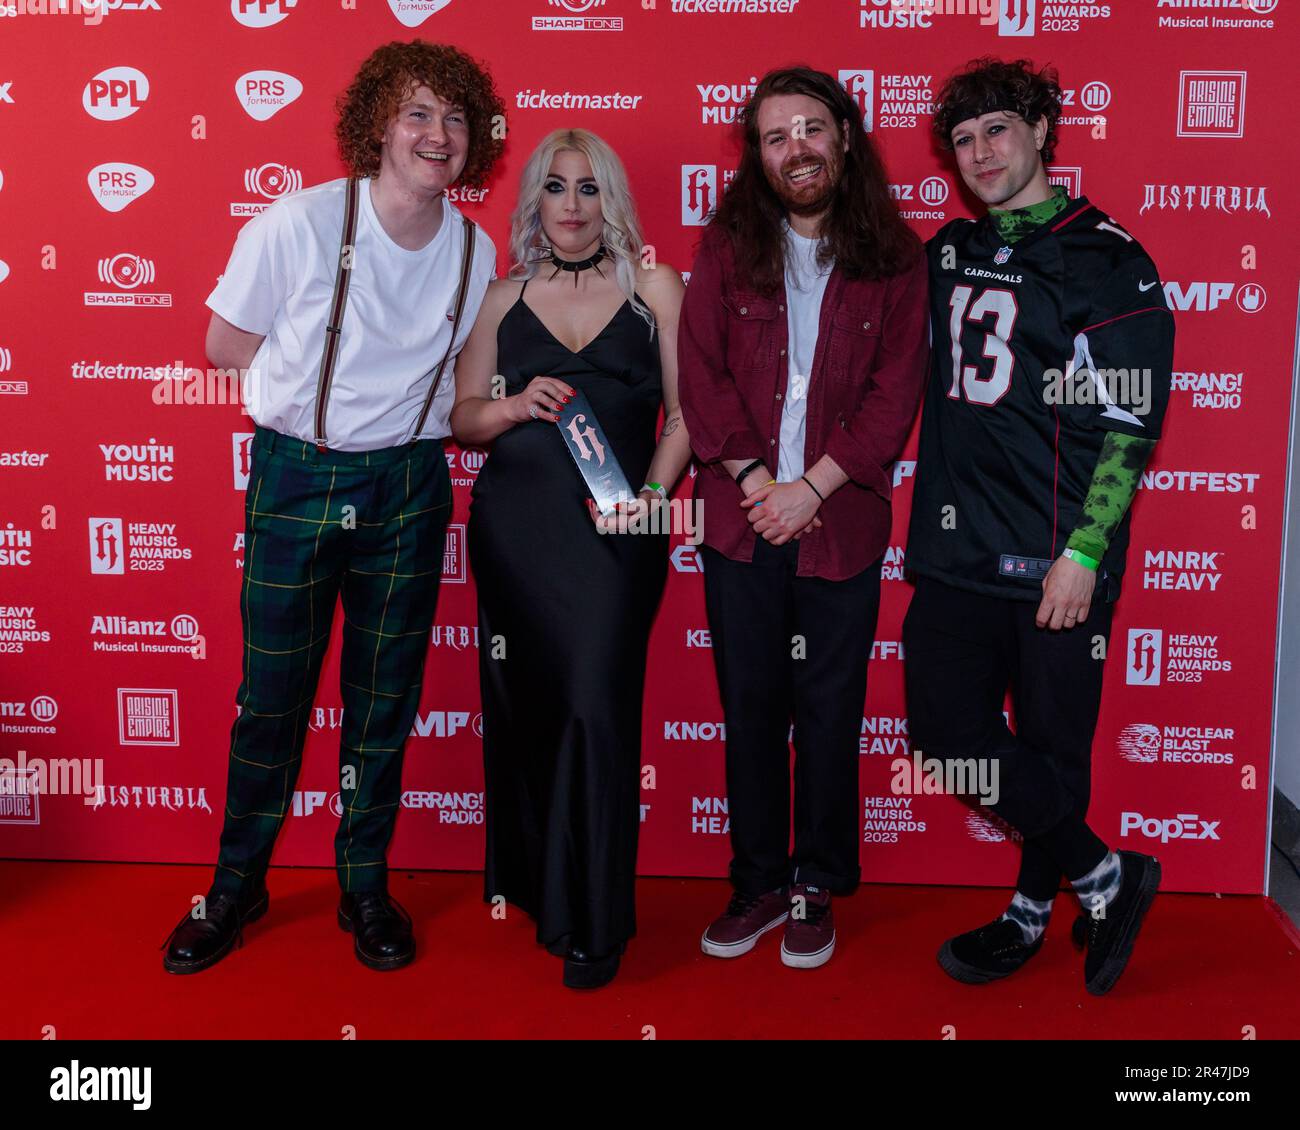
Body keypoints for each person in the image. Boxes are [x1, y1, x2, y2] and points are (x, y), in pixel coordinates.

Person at [162, 41, 504, 974]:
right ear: (378, 126)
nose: (439, 135)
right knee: (269, 699)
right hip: (300, 477)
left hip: (408, 486)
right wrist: (317, 408)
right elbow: (223, 345)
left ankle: (364, 883)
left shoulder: (480, 250)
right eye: (419, 114)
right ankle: (234, 885)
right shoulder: (299, 225)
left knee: (382, 700)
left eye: (457, 118)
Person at [903, 57, 1174, 995]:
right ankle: (1108, 876)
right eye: (964, 139)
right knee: (945, 735)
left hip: (1056, 555)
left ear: (1042, 132)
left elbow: (1133, 422)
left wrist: (1086, 554)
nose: (981, 153)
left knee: (1055, 747)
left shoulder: (1107, 258)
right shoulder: (946, 250)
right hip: (952, 550)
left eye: (999, 131)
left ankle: (1031, 911)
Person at [678, 67, 929, 970]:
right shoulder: (727, 246)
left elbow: (893, 399)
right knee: (749, 709)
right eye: (777, 135)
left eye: (812, 130)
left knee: (830, 711)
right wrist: (756, 480)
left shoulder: (897, 259)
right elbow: (700, 374)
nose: (797, 149)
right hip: (742, 518)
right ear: (758, 153)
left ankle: (816, 883)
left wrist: (808, 489)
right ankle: (756, 882)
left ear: (846, 138)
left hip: (840, 523)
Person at [450, 129, 688, 989]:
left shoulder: (654, 286)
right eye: (556, 188)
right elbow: (463, 417)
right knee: (536, 710)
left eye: (590, 189)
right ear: (535, 203)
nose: (573, 206)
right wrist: (513, 408)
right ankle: (545, 889)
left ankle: (595, 919)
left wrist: (654, 503)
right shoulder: (502, 296)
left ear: (611, 201)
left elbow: (687, 416)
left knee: (595, 705)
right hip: (518, 532)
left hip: (617, 537)